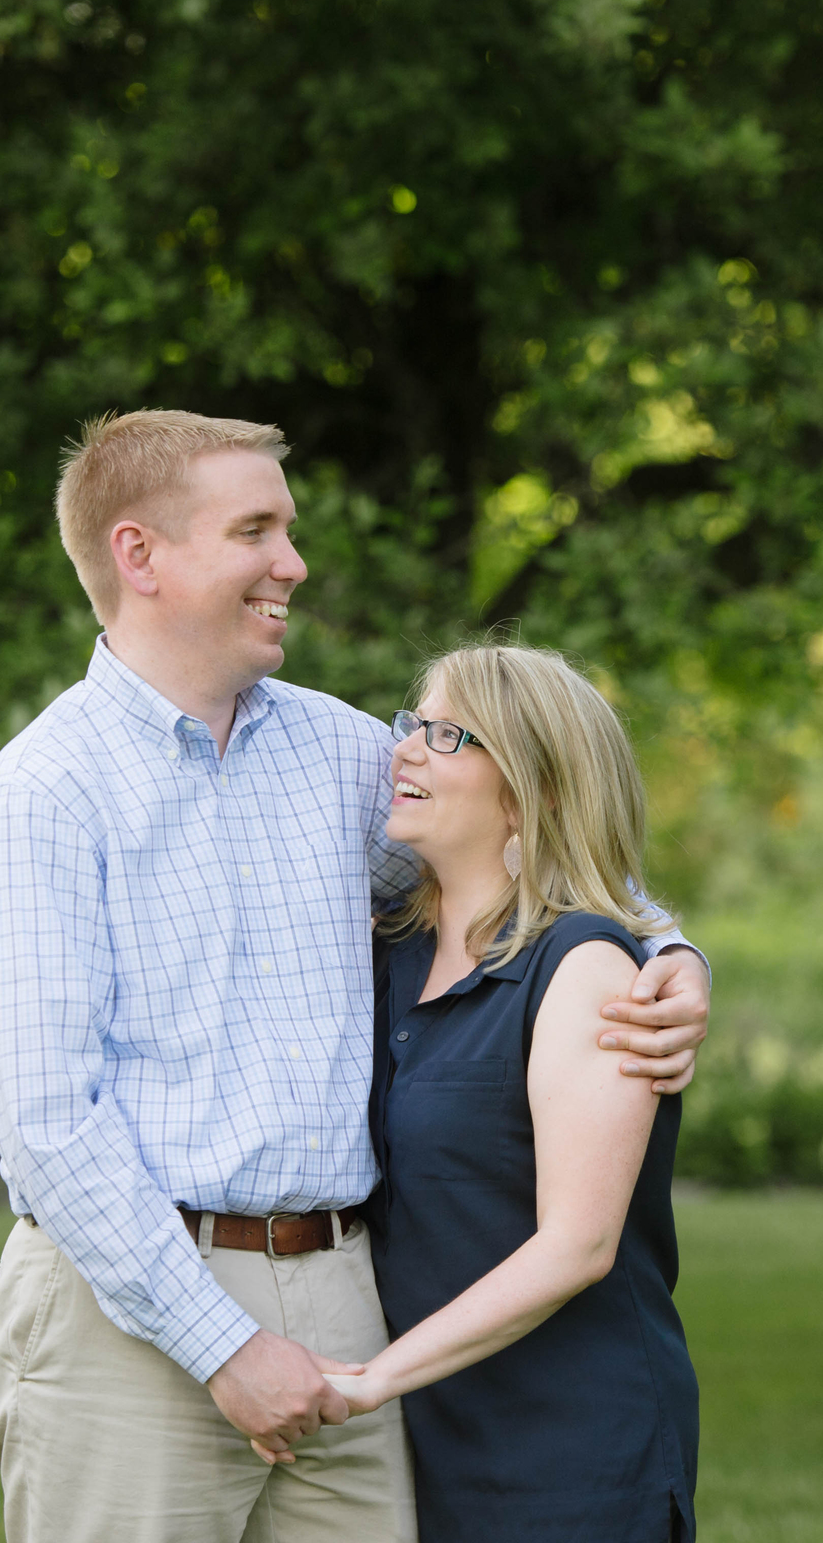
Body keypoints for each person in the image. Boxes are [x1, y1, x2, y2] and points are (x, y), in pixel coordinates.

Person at [0, 409, 713, 1543]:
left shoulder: (341, 754)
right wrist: (222, 1343)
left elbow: (543, 851)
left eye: (287, 530)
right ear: (138, 553)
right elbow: (53, 1126)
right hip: (130, 1307)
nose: (292, 564)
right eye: (255, 529)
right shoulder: (39, 798)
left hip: (350, 1293)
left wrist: (670, 951)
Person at [321, 643, 701, 1542]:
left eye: (450, 736)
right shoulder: (381, 956)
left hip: (570, 1449)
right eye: (414, 725)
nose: (405, 749)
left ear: (537, 790)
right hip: (427, 1433)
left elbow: (579, 1244)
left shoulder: (587, 967)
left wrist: (374, 1378)